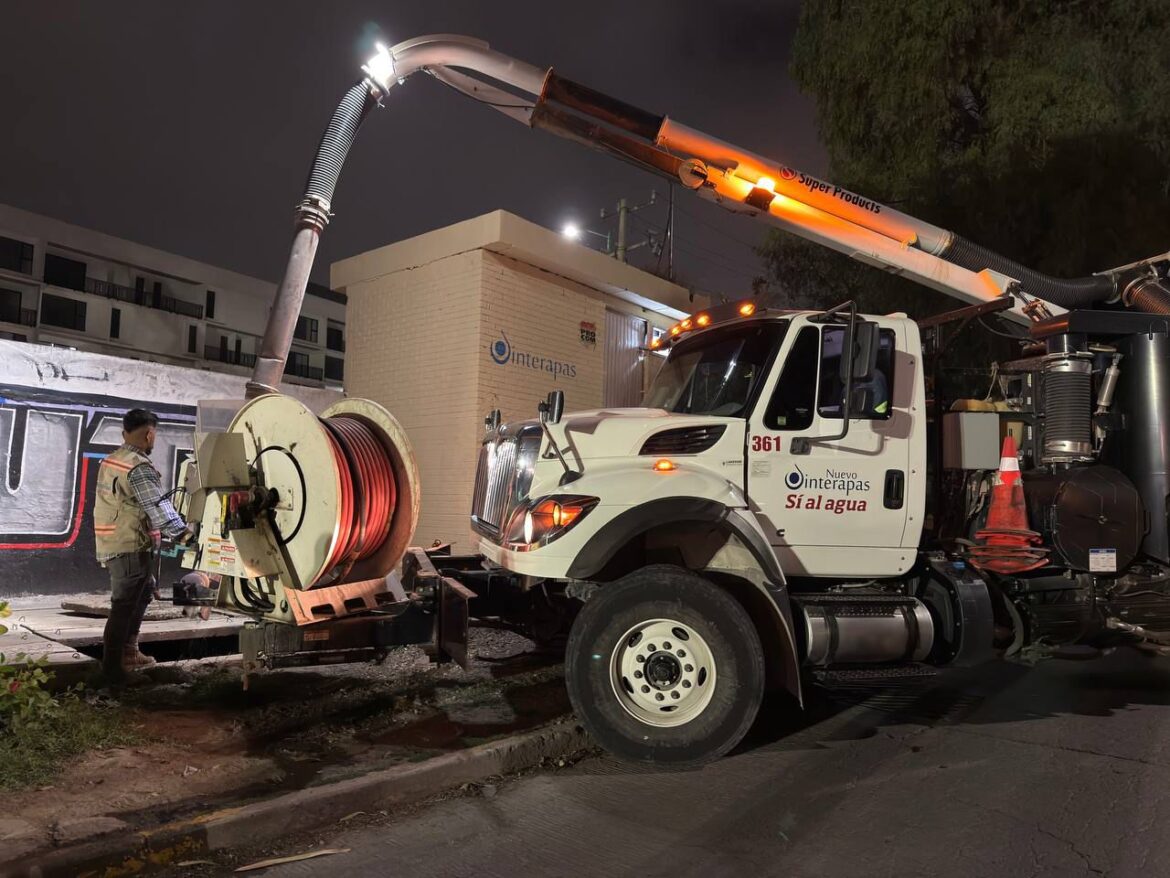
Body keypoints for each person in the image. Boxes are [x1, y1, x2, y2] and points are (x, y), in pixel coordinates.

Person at [93, 408, 193, 682]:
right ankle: (113, 673)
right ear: (149, 434)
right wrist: (186, 537)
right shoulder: (138, 467)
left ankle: (129, 651)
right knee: (123, 606)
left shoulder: (113, 460)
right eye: (154, 436)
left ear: (125, 432)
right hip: (130, 545)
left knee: (145, 589)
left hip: (113, 540)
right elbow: (158, 507)